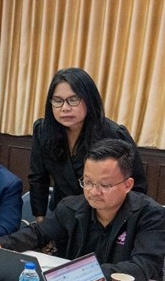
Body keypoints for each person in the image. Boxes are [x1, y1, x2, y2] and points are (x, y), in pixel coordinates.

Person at [0, 139, 165, 281]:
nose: (93, 192)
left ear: (128, 185)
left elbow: (142, 266)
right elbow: (38, 233)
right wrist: (1, 244)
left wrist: (81, 273)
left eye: (105, 185)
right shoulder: (71, 207)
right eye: (88, 182)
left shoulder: (150, 215)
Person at [29, 67, 147, 222]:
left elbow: (137, 187)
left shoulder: (114, 134)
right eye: (58, 101)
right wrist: (41, 220)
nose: (65, 108)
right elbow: (38, 179)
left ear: (89, 100)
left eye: (73, 100)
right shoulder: (43, 130)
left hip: (103, 219)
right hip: (62, 216)